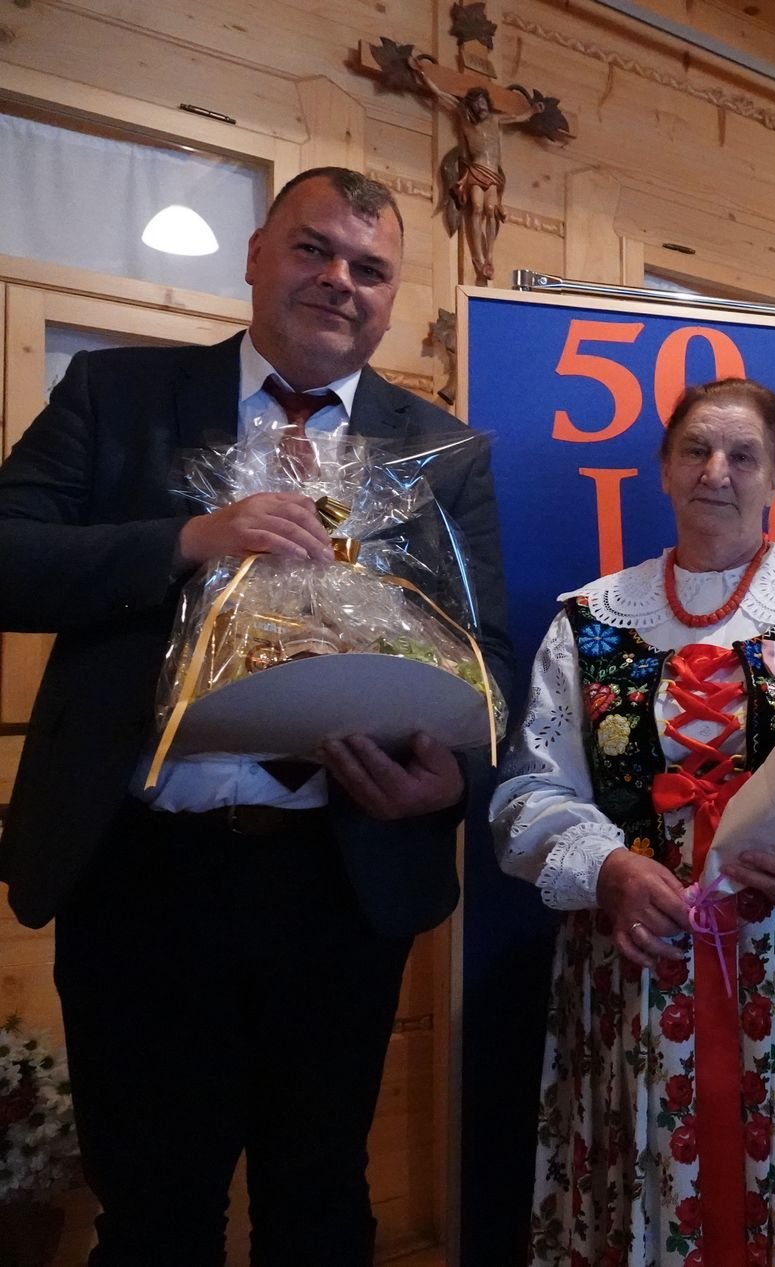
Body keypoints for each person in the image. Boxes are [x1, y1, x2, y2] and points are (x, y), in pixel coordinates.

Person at [0, 167, 511, 1264]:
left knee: (320, 1198)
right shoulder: (115, 395)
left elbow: (491, 656)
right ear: (255, 255)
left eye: (369, 268)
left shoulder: (444, 453)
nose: (339, 281)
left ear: (391, 296)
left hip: (339, 878)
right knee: (151, 1214)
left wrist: (453, 779)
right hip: (140, 875)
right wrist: (189, 540)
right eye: (313, 249)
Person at [491, 378, 775, 1267]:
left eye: (743, 454)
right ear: (664, 468)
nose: (717, 471)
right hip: (641, 963)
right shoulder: (590, 621)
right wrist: (610, 870)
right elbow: (529, 793)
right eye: (696, 449)